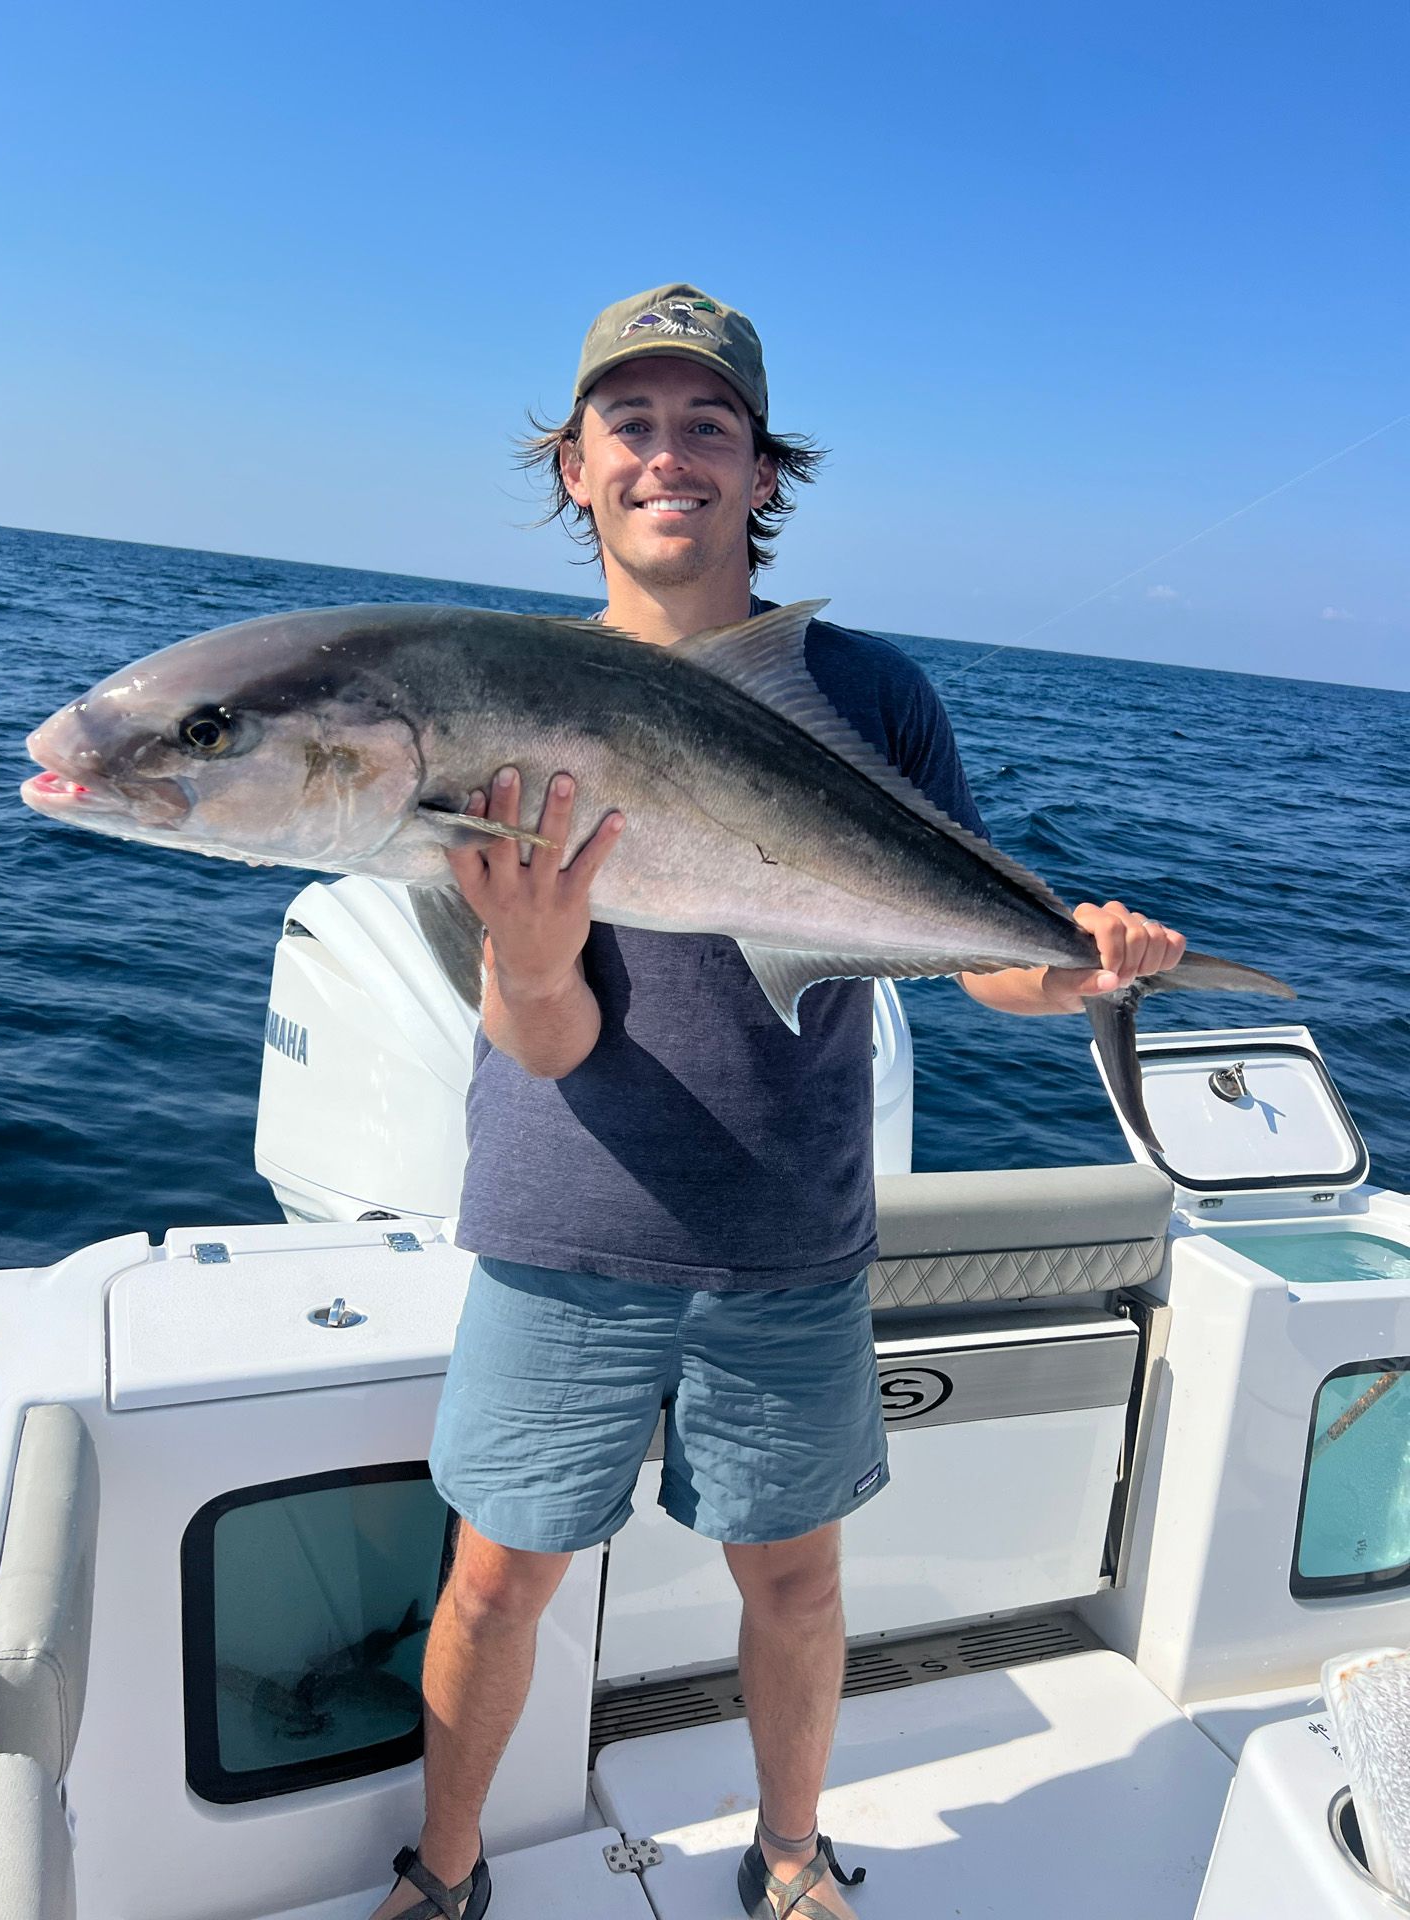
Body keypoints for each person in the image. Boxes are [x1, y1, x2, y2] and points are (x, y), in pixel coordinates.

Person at [370, 283, 1186, 1920]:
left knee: (799, 1585)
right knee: (495, 1583)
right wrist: (536, 953)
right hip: (562, 1227)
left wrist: (1075, 969)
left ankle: (792, 1857)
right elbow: (538, 1044)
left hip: (790, 1235)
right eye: (630, 423)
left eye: (708, 424)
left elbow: (970, 950)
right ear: (576, 468)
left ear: (762, 470)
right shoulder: (494, 699)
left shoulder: (869, 694)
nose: (667, 454)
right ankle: (445, 1876)